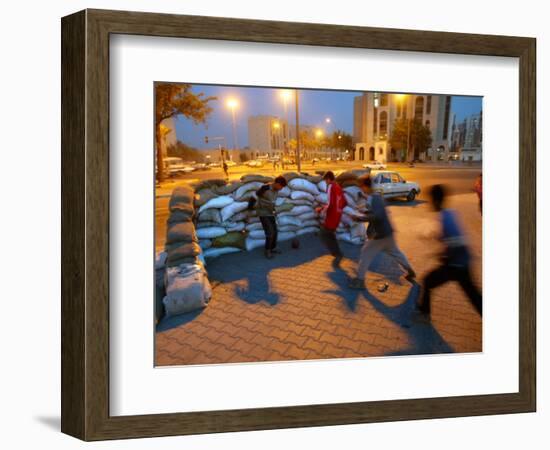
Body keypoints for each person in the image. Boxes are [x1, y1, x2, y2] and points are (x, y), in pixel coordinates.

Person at [416, 184, 482, 318]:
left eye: (430, 200)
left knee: (428, 281)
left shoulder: (445, 218)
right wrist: (435, 237)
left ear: (435, 200)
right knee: (473, 295)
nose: (429, 204)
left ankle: (424, 312)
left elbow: (456, 241)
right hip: (461, 262)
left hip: (457, 265)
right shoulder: (449, 213)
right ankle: (424, 310)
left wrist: (443, 255)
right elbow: (452, 237)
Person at [348, 176, 416, 289]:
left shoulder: (374, 198)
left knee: (365, 253)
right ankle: (410, 271)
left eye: (361, 186)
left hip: (381, 235)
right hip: (388, 233)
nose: (361, 189)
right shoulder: (375, 197)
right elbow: (375, 212)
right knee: (397, 253)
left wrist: (360, 218)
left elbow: (377, 216)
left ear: (365, 186)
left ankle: (359, 281)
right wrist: (364, 211)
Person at [316, 171, 347, 267]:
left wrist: (321, 210)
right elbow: (344, 202)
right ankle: (337, 253)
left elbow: (330, 203)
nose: (325, 183)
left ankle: (337, 254)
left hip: (332, 216)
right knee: (330, 234)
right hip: (338, 215)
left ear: (328, 179)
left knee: (323, 234)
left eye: (326, 180)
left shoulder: (331, 187)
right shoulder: (338, 187)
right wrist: (339, 211)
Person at [254, 176, 287, 259]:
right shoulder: (265, 188)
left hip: (270, 212)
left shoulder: (276, 190)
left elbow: (272, 202)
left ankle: (273, 247)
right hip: (263, 213)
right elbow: (257, 195)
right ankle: (267, 250)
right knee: (270, 232)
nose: (281, 189)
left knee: (275, 231)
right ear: (277, 184)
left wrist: (273, 210)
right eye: (281, 186)